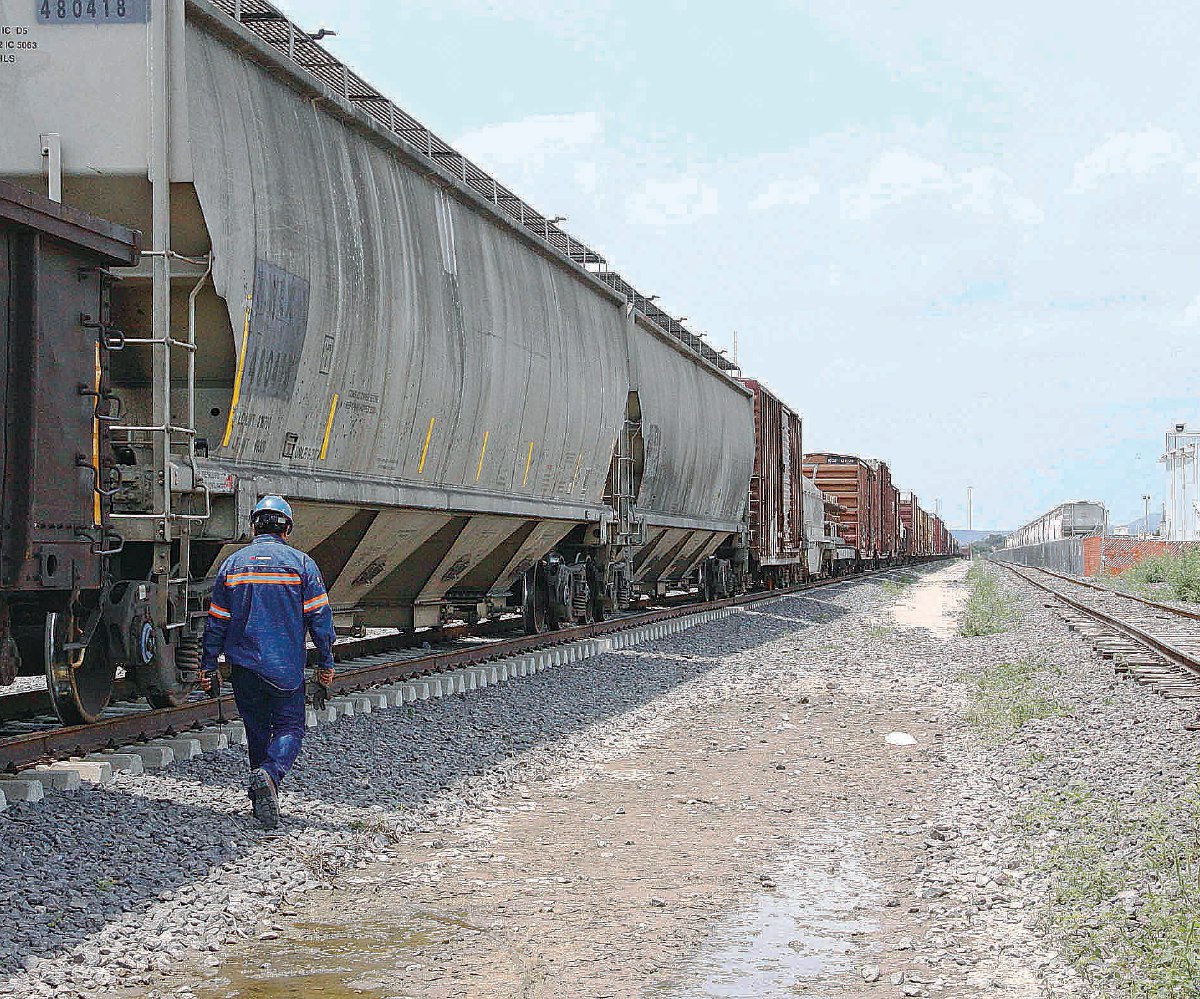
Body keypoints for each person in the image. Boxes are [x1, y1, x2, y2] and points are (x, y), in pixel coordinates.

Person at [200, 495, 336, 828]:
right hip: (285, 667)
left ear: (253, 526)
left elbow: (216, 622)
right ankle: (270, 775)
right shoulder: (302, 564)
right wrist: (326, 662)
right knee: (290, 727)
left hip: (244, 667)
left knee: (256, 729)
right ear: (286, 528)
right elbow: (320, 619)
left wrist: (207, 665)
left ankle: (262, 799)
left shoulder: (232, 565)